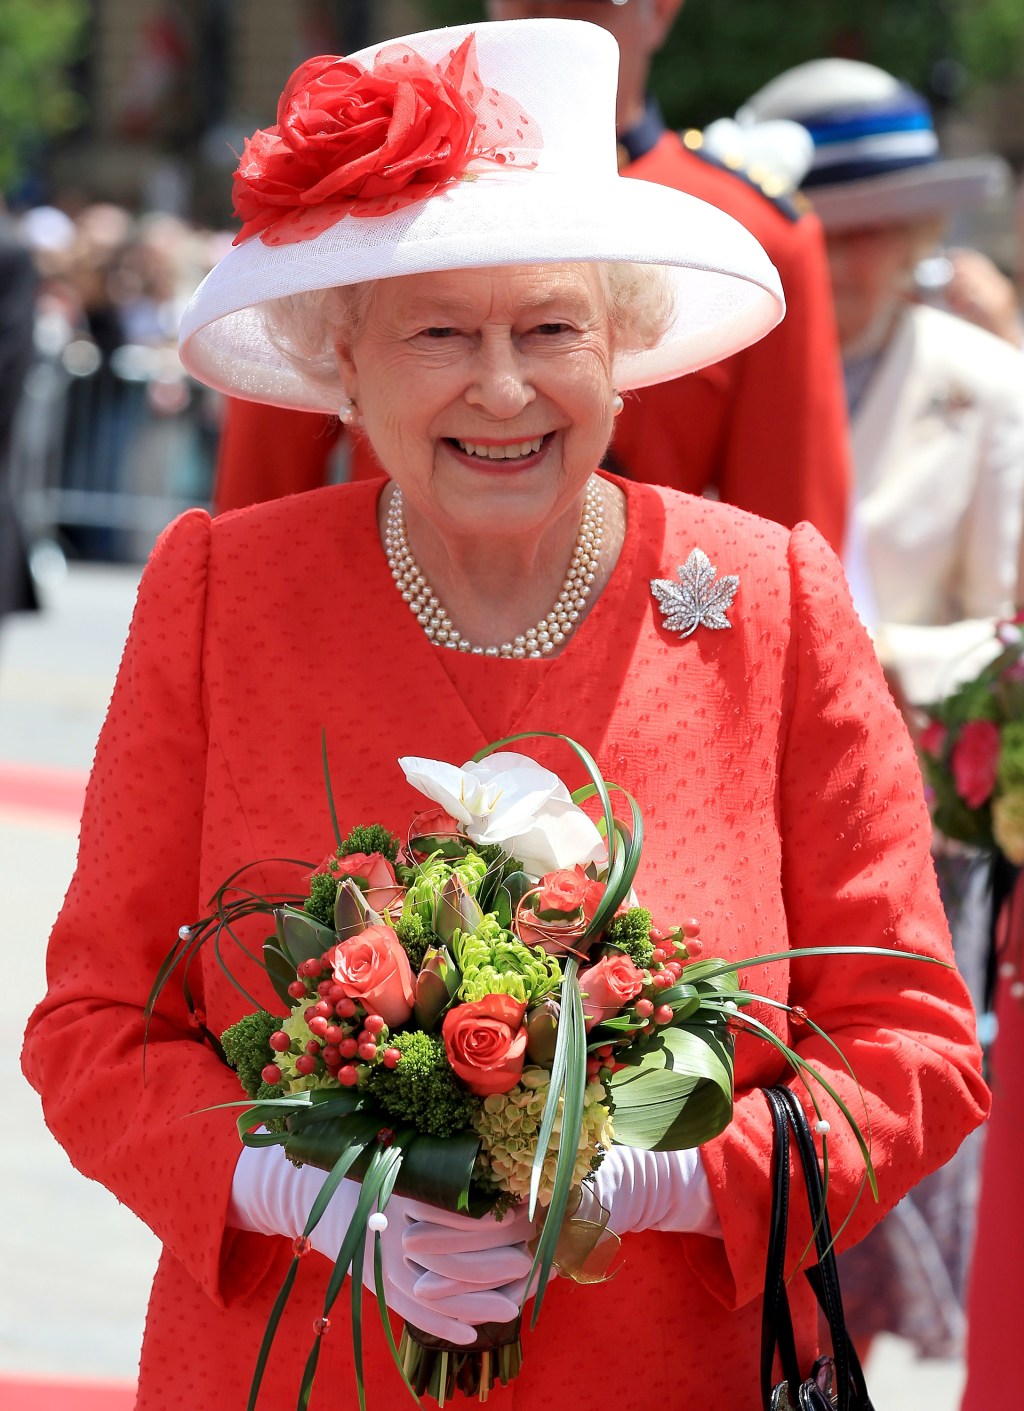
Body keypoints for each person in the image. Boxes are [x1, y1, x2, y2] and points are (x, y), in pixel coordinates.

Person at [22, 19, 988, 1411]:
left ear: (625, 353)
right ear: (344, 361)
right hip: (297, 1373)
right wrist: (300, 1189)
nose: (503, 385)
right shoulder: (221, 589)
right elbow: (94, 1022)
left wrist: (670, 1178)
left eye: (552, 328)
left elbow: (914, 1040)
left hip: (672, 1373)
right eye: (439, 334)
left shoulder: (769, 597)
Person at [741, 56, 1024, 1360]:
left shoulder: (985, 382)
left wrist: (849, 660)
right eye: (820, 232)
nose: (841, 263)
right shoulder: (717, 359)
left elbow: (1003, 625)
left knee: (868, 1133)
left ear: (917, 232)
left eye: (870, 233)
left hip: (902, 826)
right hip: (734, 821)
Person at [215, 0, 852, 556]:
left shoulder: (755, 233)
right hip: (371, 638)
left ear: (662, 8)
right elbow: (256, 514)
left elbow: (789, 524)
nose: (552, 13)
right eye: (439, 332)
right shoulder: (364, 211)